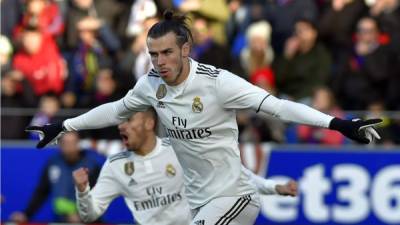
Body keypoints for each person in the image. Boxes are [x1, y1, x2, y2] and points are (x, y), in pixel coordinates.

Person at [26, 10, 382, 225]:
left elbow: (277, 107)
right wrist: (64, 125)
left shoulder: (218, 83)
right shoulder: (150, 85)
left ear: (185, 49)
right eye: (153, 54)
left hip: (235, 196)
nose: (159, 61)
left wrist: (338, 123)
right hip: (200, 203)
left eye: (167, 53)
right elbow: (116, 109)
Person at [72, 109, 298, 225]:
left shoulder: (179, 150)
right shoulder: (115, 166)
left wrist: (273, 187)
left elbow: (231, 173)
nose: (122, 126)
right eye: (120, 121)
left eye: (129, 120)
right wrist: (83, 191)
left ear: (150, 123)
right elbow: (89, 213)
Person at [10, 132, 101, 223]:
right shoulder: (53, 162)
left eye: (73, 143)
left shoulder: (92, 165)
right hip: (59, 220)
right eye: (66, 143)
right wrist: (26, 214)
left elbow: (99, 196)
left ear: (78, 144)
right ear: (60, 145)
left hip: (87, 220)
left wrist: (81, 215)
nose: (70, 147)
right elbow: (42, 191)